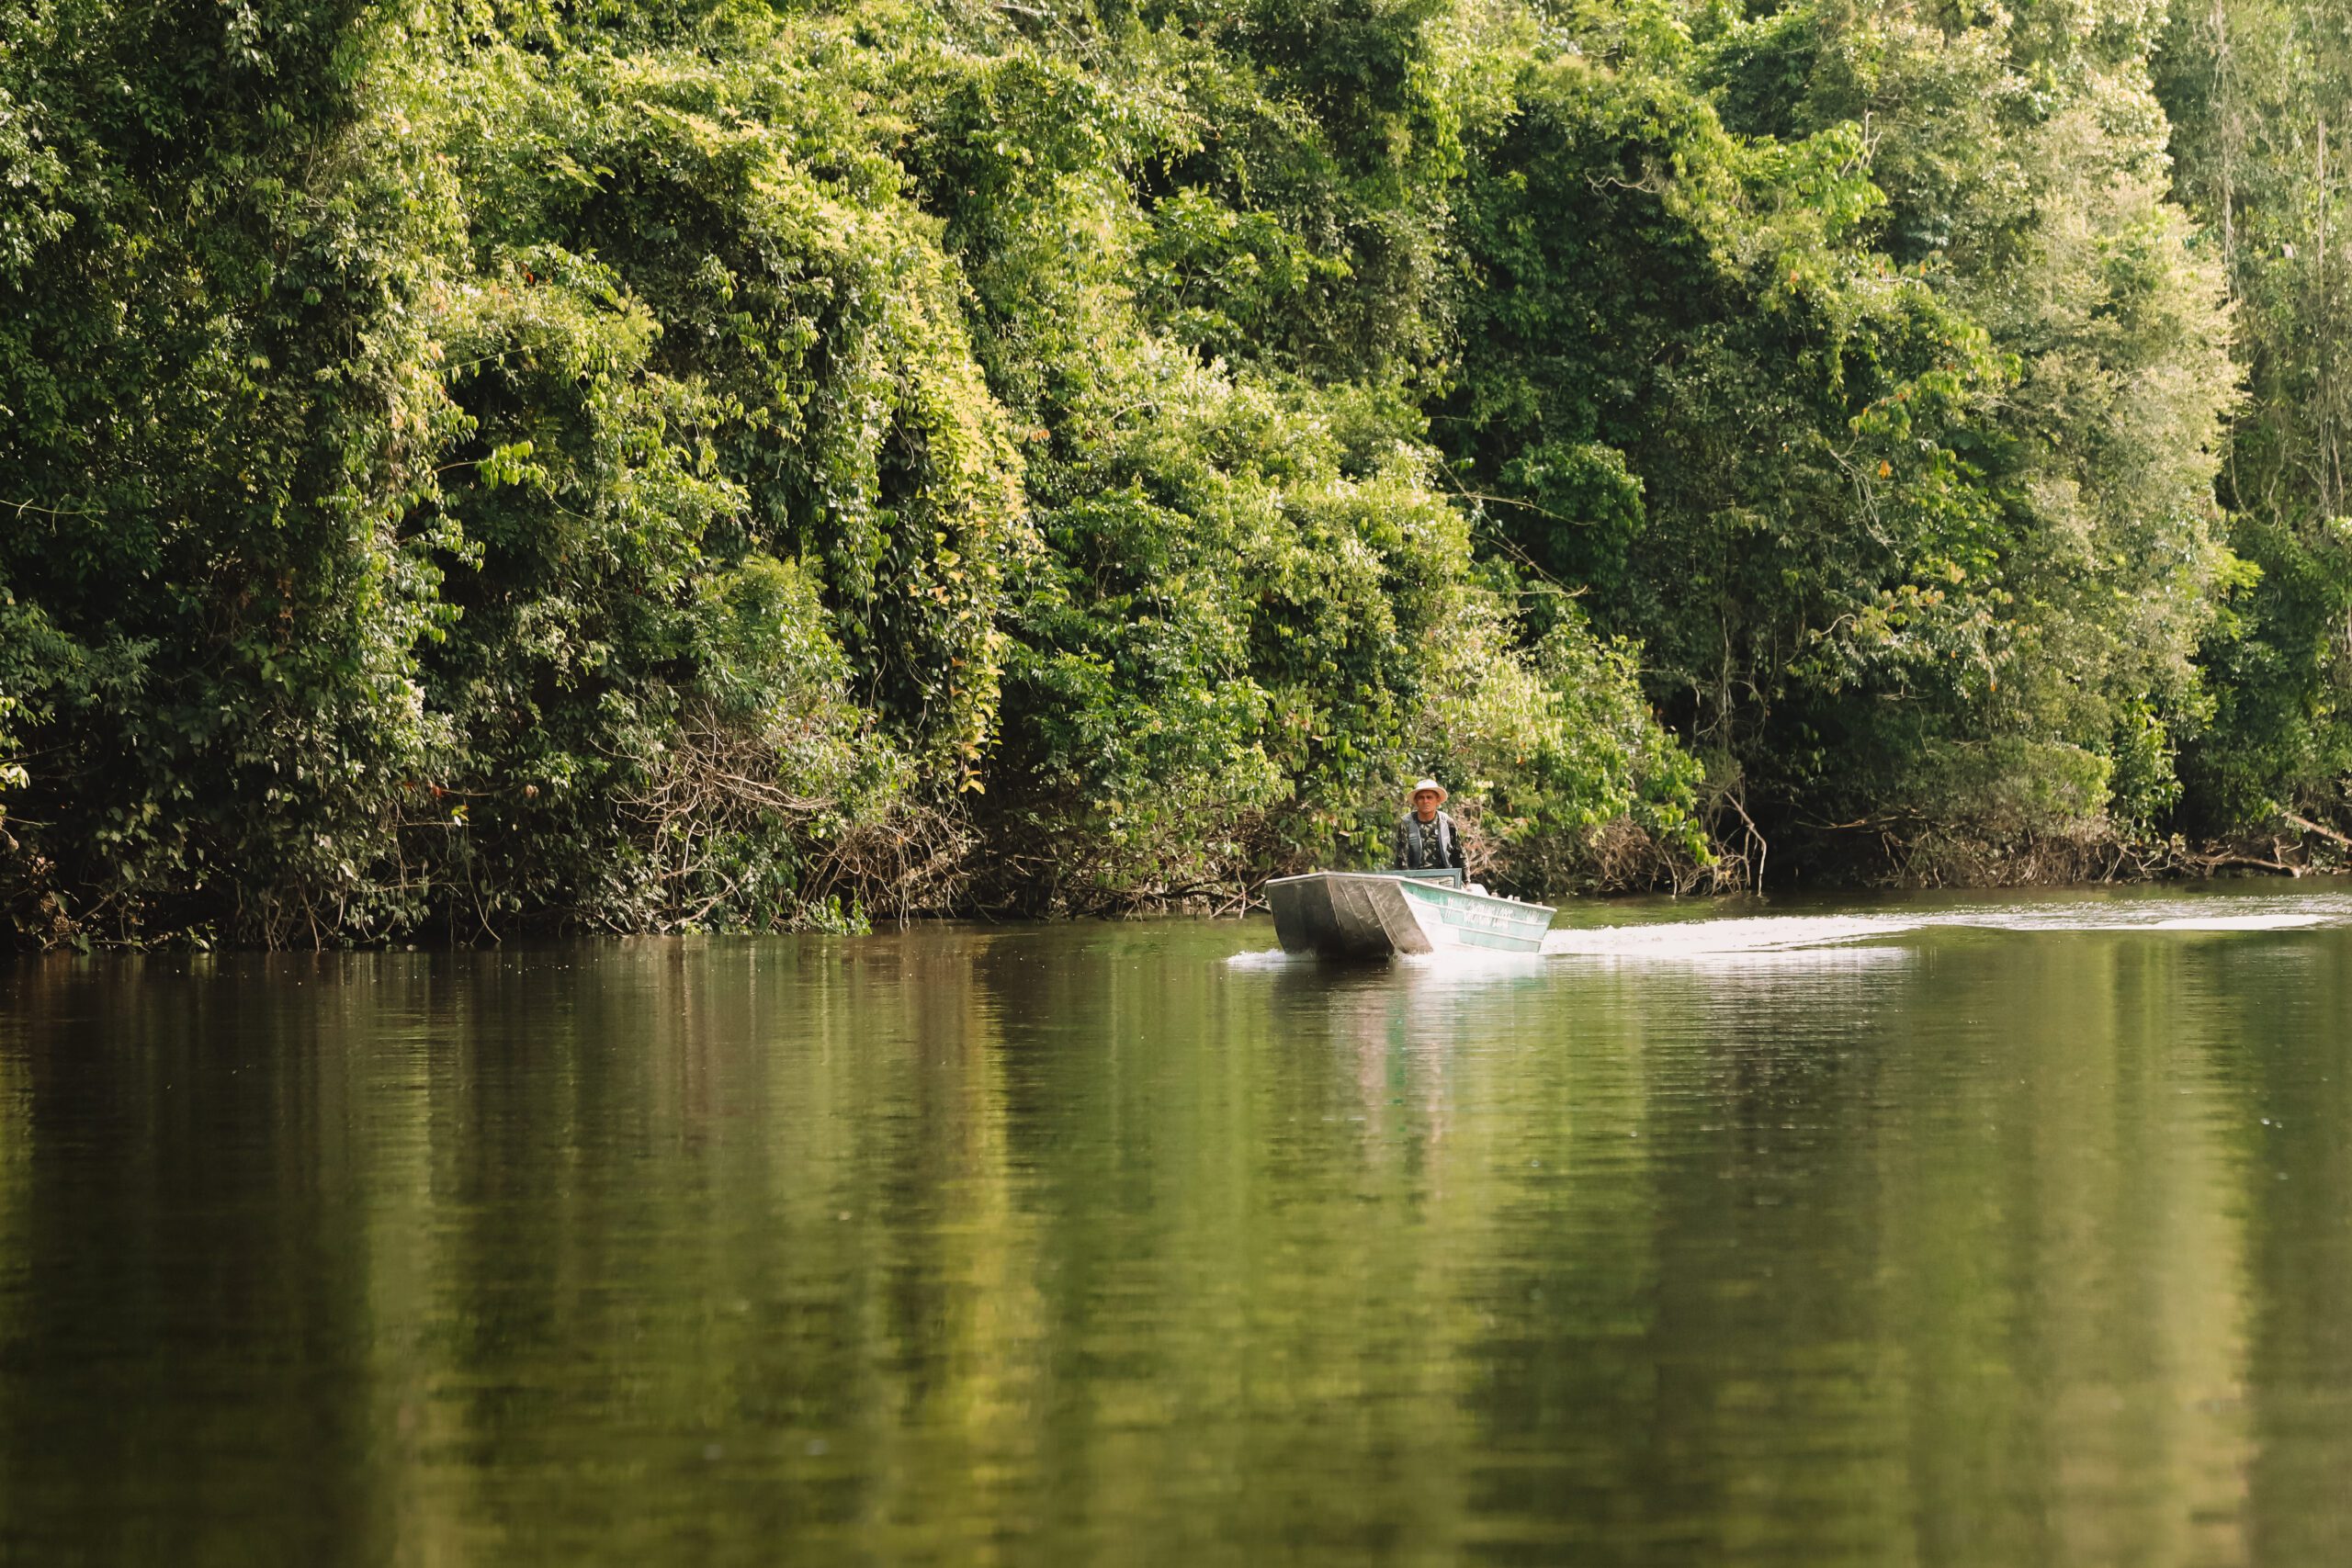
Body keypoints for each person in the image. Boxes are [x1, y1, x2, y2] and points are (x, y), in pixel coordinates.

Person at [1393, 778, 1466, 874]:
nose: (1425, 801)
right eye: (1421, 797)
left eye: (1429, 797)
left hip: (1444, 877)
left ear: (1437, 800)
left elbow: (1460, 854)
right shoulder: (1406, 823)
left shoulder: (1447, 822)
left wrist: (1466, 882)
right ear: (1416, 801)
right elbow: (1401, 858)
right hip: (1415, 878)